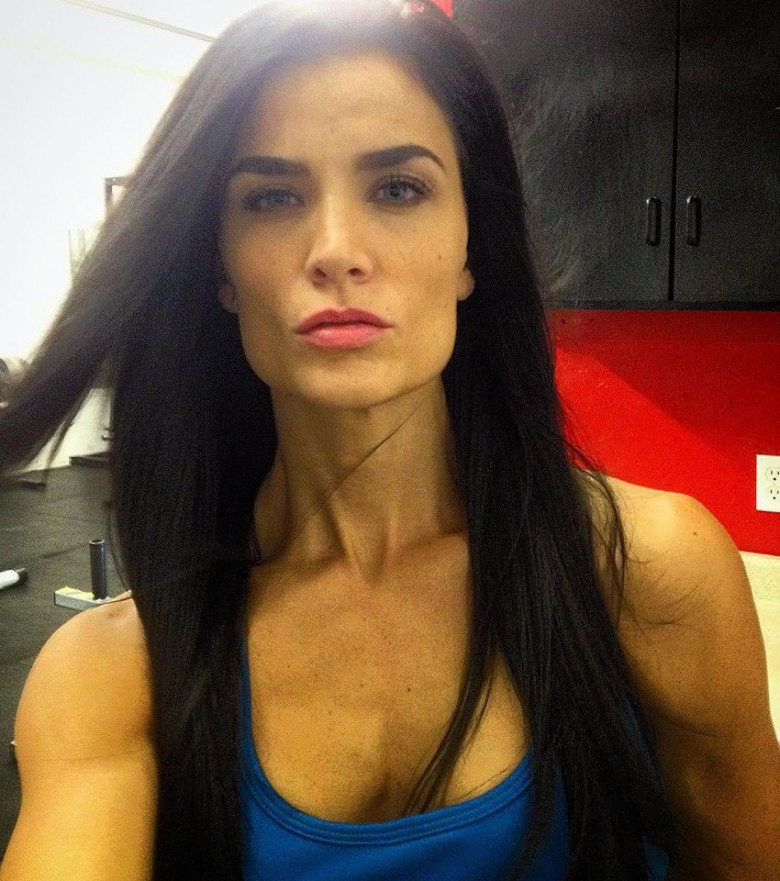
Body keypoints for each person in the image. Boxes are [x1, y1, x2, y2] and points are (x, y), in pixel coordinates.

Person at [0, 1, 778, 879]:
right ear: (222, 268)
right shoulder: (112, 675)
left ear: (470, 246)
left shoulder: (647, 571)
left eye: (399, 188)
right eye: (273, 198)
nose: (336, 249)